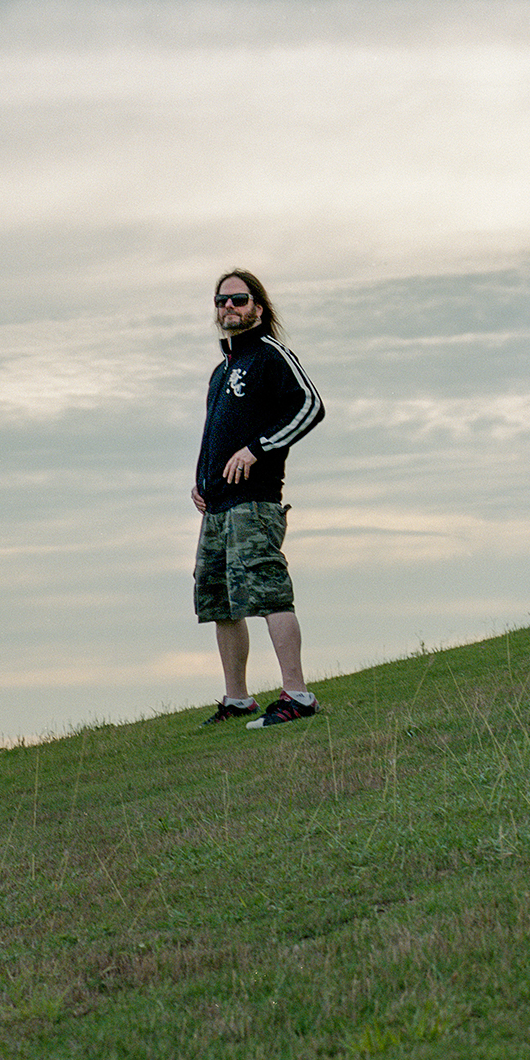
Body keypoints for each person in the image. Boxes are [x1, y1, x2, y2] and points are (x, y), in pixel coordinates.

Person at [191, 269, 326, 727]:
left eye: (238, 299)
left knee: (269, 594)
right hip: (216, 508)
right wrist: (200, 480)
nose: (228, 307)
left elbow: (310, 406)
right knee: (220, 603)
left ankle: (298, 696)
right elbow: (214, 433)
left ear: (258, 308)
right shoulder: (221, 371)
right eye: (222, 300)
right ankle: (237, 699)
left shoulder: (271, 355)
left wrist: (257, 449)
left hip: (255, 502)